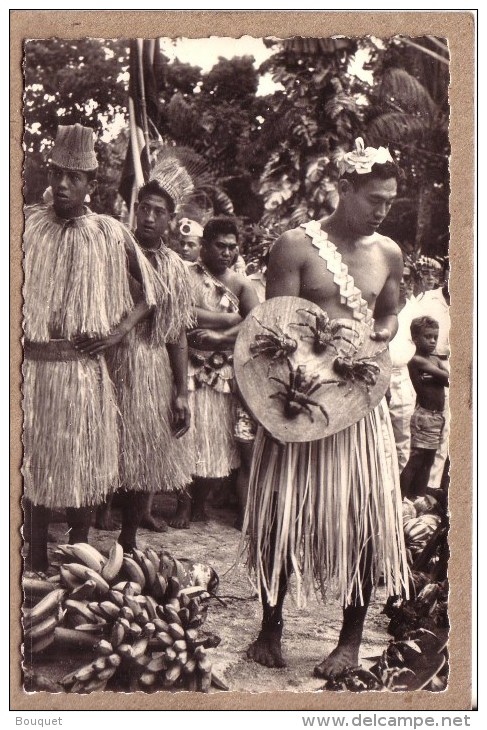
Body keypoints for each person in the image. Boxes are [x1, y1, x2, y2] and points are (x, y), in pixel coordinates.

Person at [243, 138, 408, 677]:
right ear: (344, 189)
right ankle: (270, 629)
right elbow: (272, 326)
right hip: (299, 400)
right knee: (280, 515)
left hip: (360, 406)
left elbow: (389, 315)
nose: (381, 211)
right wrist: (316, 342)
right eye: (373, 199)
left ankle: (350, 641)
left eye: (389, 201)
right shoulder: (296, 246)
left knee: (364, 518)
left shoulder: (388, 253)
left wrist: (372, 337)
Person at [22, 124, 159, 572]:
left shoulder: (109, 233)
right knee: (34, 470)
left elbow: (150, 293)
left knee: (81, 469)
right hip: (33, 371)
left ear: (90, 184)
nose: (62, 184)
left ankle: (77, 559)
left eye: (74, 177)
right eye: (57, 173)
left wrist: (117, 333)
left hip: (82, 371)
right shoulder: (24, 225)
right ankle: (37, 555)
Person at [97, 171, 195, 551]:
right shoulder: (114, 251)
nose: (150, 217)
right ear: (135, 210)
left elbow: (177, 334)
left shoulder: (173, 267)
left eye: (159, 212)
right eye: (145, 209)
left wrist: (181, 390)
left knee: (144, 454)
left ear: (170, 219)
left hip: (150, 365)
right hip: (109, 359)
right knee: (102, 446)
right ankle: (88, 530)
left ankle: (129, 536)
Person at [169, 217, 259, 529]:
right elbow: (181, 314)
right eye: (220, 246)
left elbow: (258, 326)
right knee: (187, 438)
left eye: (232, 247)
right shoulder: (184, 274)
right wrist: (227, 319)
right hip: (188, 364)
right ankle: (182, 504)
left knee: (214, 441)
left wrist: (221, 337)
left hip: (222, 372)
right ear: (205, 246)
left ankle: (199, 506)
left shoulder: (242, 284)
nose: (226, 252)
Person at [400, 316, 449, 500]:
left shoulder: (434, 359)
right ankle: (402, 499)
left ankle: (418, 498)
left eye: (435, 337)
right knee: (417, 458)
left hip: (437, 417)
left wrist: (438, 376)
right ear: (415, 338)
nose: (433, 341)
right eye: (428, 336)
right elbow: (446, 378)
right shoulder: (417, 360)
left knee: (429, 460)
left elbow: (449, 378)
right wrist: (440, 376)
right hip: (425, 415)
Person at [415, 269, 450, 491]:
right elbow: (413, 334)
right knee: (421, 440)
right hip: (427, 366)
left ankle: (431, 488)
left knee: (446, 430)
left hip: (453, 364)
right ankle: (415, 491)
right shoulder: (429, 300)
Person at [387, 263, 421, 471]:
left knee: (402, 437)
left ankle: (397, 493)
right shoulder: (375, 306)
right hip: (376, 376)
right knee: (379, 437)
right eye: (397, 277)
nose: (401, 282)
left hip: (402, 378)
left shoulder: (415, 310)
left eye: (406, 278)